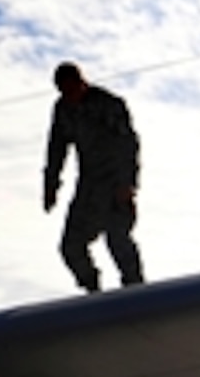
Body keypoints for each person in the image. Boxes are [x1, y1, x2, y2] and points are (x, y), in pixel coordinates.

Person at [43, 61, 144, 292]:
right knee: (71, 246)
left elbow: (129, 144)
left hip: (115, 184)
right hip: (88, 188)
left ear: (82, 82)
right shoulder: (63, 110)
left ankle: (136, 291)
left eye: (73, 90)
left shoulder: (108, 104)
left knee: (117, 239)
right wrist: (50, 186)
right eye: (65, 92)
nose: (71, 97)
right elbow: (56, 149)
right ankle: (92, 290)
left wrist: (127, 183)